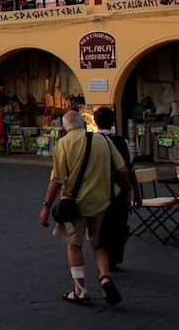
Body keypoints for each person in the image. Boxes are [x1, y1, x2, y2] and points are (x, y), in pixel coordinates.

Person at [39, 110, 129, 306]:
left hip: (75, 203)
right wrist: (125, 194)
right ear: (84, 124)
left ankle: (80, 291)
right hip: (104, 200)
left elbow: (57, 179)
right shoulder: (103, 141)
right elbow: (123, 170)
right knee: (100, 243)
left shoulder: (63, 144)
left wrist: (46, 206)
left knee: (74, 244)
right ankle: (104, 276)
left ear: (65, 127)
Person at [92, 107, 140, 272]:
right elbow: (129, 169)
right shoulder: (122, 142)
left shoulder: (90, 141)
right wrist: (135, 193)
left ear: (95, 122)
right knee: (118, 226)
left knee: (99, 227)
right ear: (113, 122)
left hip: (96, 191)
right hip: (118, 192)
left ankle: (102, 259)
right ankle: (112, 259)